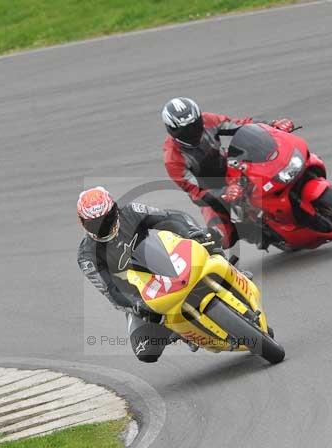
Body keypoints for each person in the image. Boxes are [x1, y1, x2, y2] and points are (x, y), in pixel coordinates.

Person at [76, 186, 220, 363]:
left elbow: (169, 218)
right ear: (82, 222)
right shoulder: (87, 256)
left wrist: (190, 233)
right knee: (146, 351)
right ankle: (182, 330)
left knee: (207, 242)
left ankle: (228, 271)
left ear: (115, 209)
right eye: (95, 224)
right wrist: (137, 305)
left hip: (166, 261)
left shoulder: (131, 212)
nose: (103, 227)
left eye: (107, 219)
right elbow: (111, 291)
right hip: (141, 294)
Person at [162, 97, 295, 249]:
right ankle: (247, 232)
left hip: (231, 170)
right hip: (211, 194)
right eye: (187, 129)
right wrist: (224, 192)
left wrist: (271, 125)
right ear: (173, 130)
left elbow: (240, 125)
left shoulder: (208, 120)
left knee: (270, 169)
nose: (193, 130)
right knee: (220, 237)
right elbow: (195, 191)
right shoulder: (173, 158)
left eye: (195, 124)